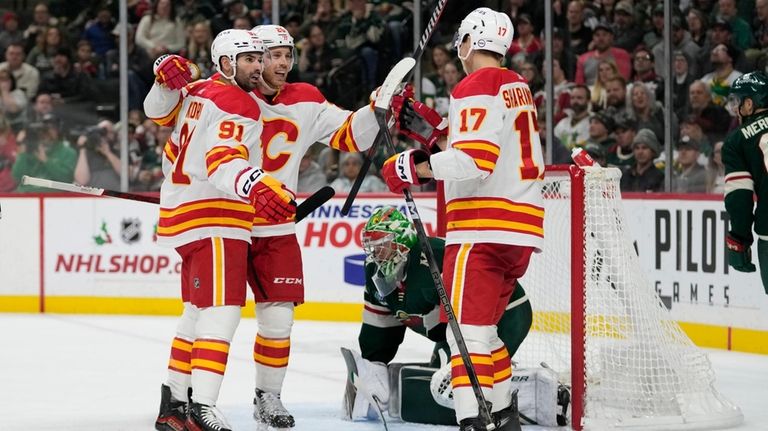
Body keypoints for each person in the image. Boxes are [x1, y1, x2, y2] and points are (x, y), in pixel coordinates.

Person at [144, 24, 390, 430]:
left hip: (272, 224)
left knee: (277, 320)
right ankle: (184, 400)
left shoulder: (305, 99)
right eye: (267, 55)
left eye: (284, 55)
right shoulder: (229, 94)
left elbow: (352, 135)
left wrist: (376, 111)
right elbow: (163, 113)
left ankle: (267, 397)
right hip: (232, 214)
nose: (276, 63)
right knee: (205, 312)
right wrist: (164, 80)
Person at [382, 7, 544, 430]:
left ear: (470, 41)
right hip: (519, 230)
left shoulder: (476, 82)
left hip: (481, 228)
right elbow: (479, 140)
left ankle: (473, 420)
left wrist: (410, 168)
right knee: (485, 331)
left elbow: (475, 159)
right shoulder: (516, 85)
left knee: (464, 335)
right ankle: (505, 414)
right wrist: (429, 127)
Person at [145, 29, 295, 431]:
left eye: (258, 59)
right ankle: (202, 408)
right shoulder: (237, 103)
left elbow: (155, 111)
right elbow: (222, 161)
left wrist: (163, 80)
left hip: (184, 214)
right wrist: (255, 184)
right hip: (215, 217)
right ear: (225, 63)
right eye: (248, 60)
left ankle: (173, 404)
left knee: (196, 314)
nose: (258, 66)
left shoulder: (197, 90)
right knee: (222, 311)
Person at [345, 206, 533, 425]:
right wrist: (374, 362)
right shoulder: (374, 270)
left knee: (459, 383)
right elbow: (380, 321)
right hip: (452, 329)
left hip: (506, 315)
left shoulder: (436, 257)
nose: (376, 254)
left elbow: (468, 310)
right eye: (372, 248)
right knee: (440, 382)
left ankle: (526, 395)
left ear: (403, 241)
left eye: (382, 246)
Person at [722, 71, 768, 294]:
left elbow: (740, 198)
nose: (736, 108)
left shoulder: (737, 140)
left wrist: (739, 238)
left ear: (749, 104)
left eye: (738, 101)